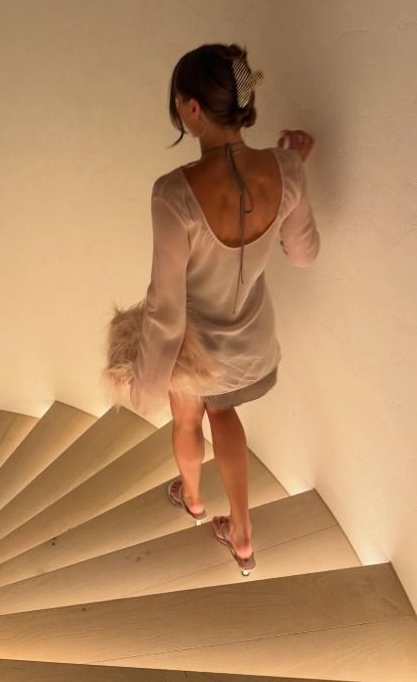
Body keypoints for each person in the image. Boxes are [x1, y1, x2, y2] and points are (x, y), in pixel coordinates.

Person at [130, 42, 320, 574]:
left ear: (192, 109)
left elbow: (166, 310)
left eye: (178, 102)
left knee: (187, 419)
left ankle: (192, 500)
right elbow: (304, 254)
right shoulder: (287, 169)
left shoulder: (173, 195)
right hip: (251, 342)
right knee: (224, 413)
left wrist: (145, 386)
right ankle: (242, 534)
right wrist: (290, 173)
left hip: (194, 350)